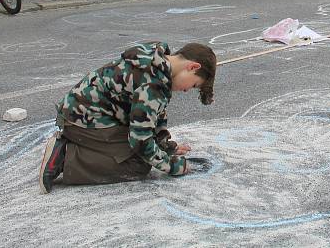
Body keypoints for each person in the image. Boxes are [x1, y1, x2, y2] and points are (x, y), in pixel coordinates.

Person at [38, 41, 216, 193]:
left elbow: (151, 116)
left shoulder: (156, 60)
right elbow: (141, 140)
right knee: (137, 164)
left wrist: (165, 146)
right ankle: (65, 157)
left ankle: (78, 146)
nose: (186, 90)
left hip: (84, 110)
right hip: (82, 120)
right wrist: (172, 166)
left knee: (141, 152)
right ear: (193, 67)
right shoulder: (154, 82)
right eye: (193, 84)